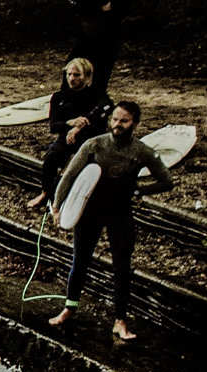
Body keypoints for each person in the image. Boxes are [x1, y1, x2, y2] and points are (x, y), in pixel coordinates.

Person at [50, 100, 173, 342]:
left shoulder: (141, 151)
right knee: (80, 261)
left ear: (135, 123)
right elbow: (69, 177)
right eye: (115, 119)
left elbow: (166, 181)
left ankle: (120, 321)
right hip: (90, 210)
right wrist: (57, 207)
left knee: (121, 267)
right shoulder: (94, 144)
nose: (117, 124)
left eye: (124, 121)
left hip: (119, 211)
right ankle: (69, 308)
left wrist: (139, 192)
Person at [27, 59, 110, 211]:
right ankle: (45, 192)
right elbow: (53, 126)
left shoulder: (96, 95)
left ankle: (71, 198)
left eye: (77, 75)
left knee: (84, 163)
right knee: (52, 156)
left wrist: (82, 123)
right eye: (69, 74)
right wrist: (70, 123)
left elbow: (106, 107)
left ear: (87, 77)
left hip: (90, 139)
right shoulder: (59, 97)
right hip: (67, 138)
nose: (72, 78)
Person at [68, 0, 127, 92]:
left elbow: (120, 7)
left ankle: (96, 97)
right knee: (75, 63)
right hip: (89, 22)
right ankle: (69, 96)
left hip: (109, 24)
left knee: (103, 66)